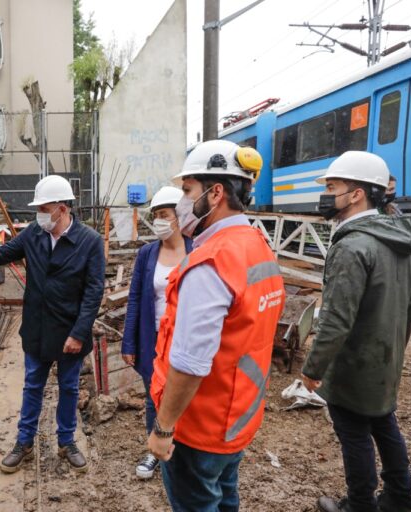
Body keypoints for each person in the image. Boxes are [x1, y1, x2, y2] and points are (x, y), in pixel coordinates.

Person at [0, 175, 105, 474]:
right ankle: (24, 442)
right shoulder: (34, 234)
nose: (38, 214)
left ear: (62, 208)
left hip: (69, 332)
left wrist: (79, 333)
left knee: (68, 388)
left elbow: (93, 292)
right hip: (36, 328)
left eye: (44, 208)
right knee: (32, 386)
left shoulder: (89, 241)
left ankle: (66, 441)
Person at [147, 140, 285, 511]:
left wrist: (163, 428)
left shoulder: (210, 262)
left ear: (216, 192)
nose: (181, 203)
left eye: (188, 191)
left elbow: (190, 362)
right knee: (225, 497)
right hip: (238, 415)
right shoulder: (257, 245)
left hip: (199, 427)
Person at [301, 151, 411, 512]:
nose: (327, 194)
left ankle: (359, 505)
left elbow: (337, 318)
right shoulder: (400, 239)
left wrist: (313, 368)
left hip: (354, 364)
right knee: (385, 425)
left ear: (356, 194)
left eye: (332, 186)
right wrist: (395, 348)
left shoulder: (353, 245)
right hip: (385, 359)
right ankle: (401, 499)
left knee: (354, 434)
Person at [121, 186, 192, 480]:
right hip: (154, 338)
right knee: (154, 395)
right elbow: (135, 297)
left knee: (187, 395)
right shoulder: (148, 253)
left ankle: (185, 449)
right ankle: (154, 452)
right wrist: (129, 341)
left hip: (186, 337)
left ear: (180, 216)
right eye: (156, 216)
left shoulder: (198, 248)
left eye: (165, 215)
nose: (159, 221)